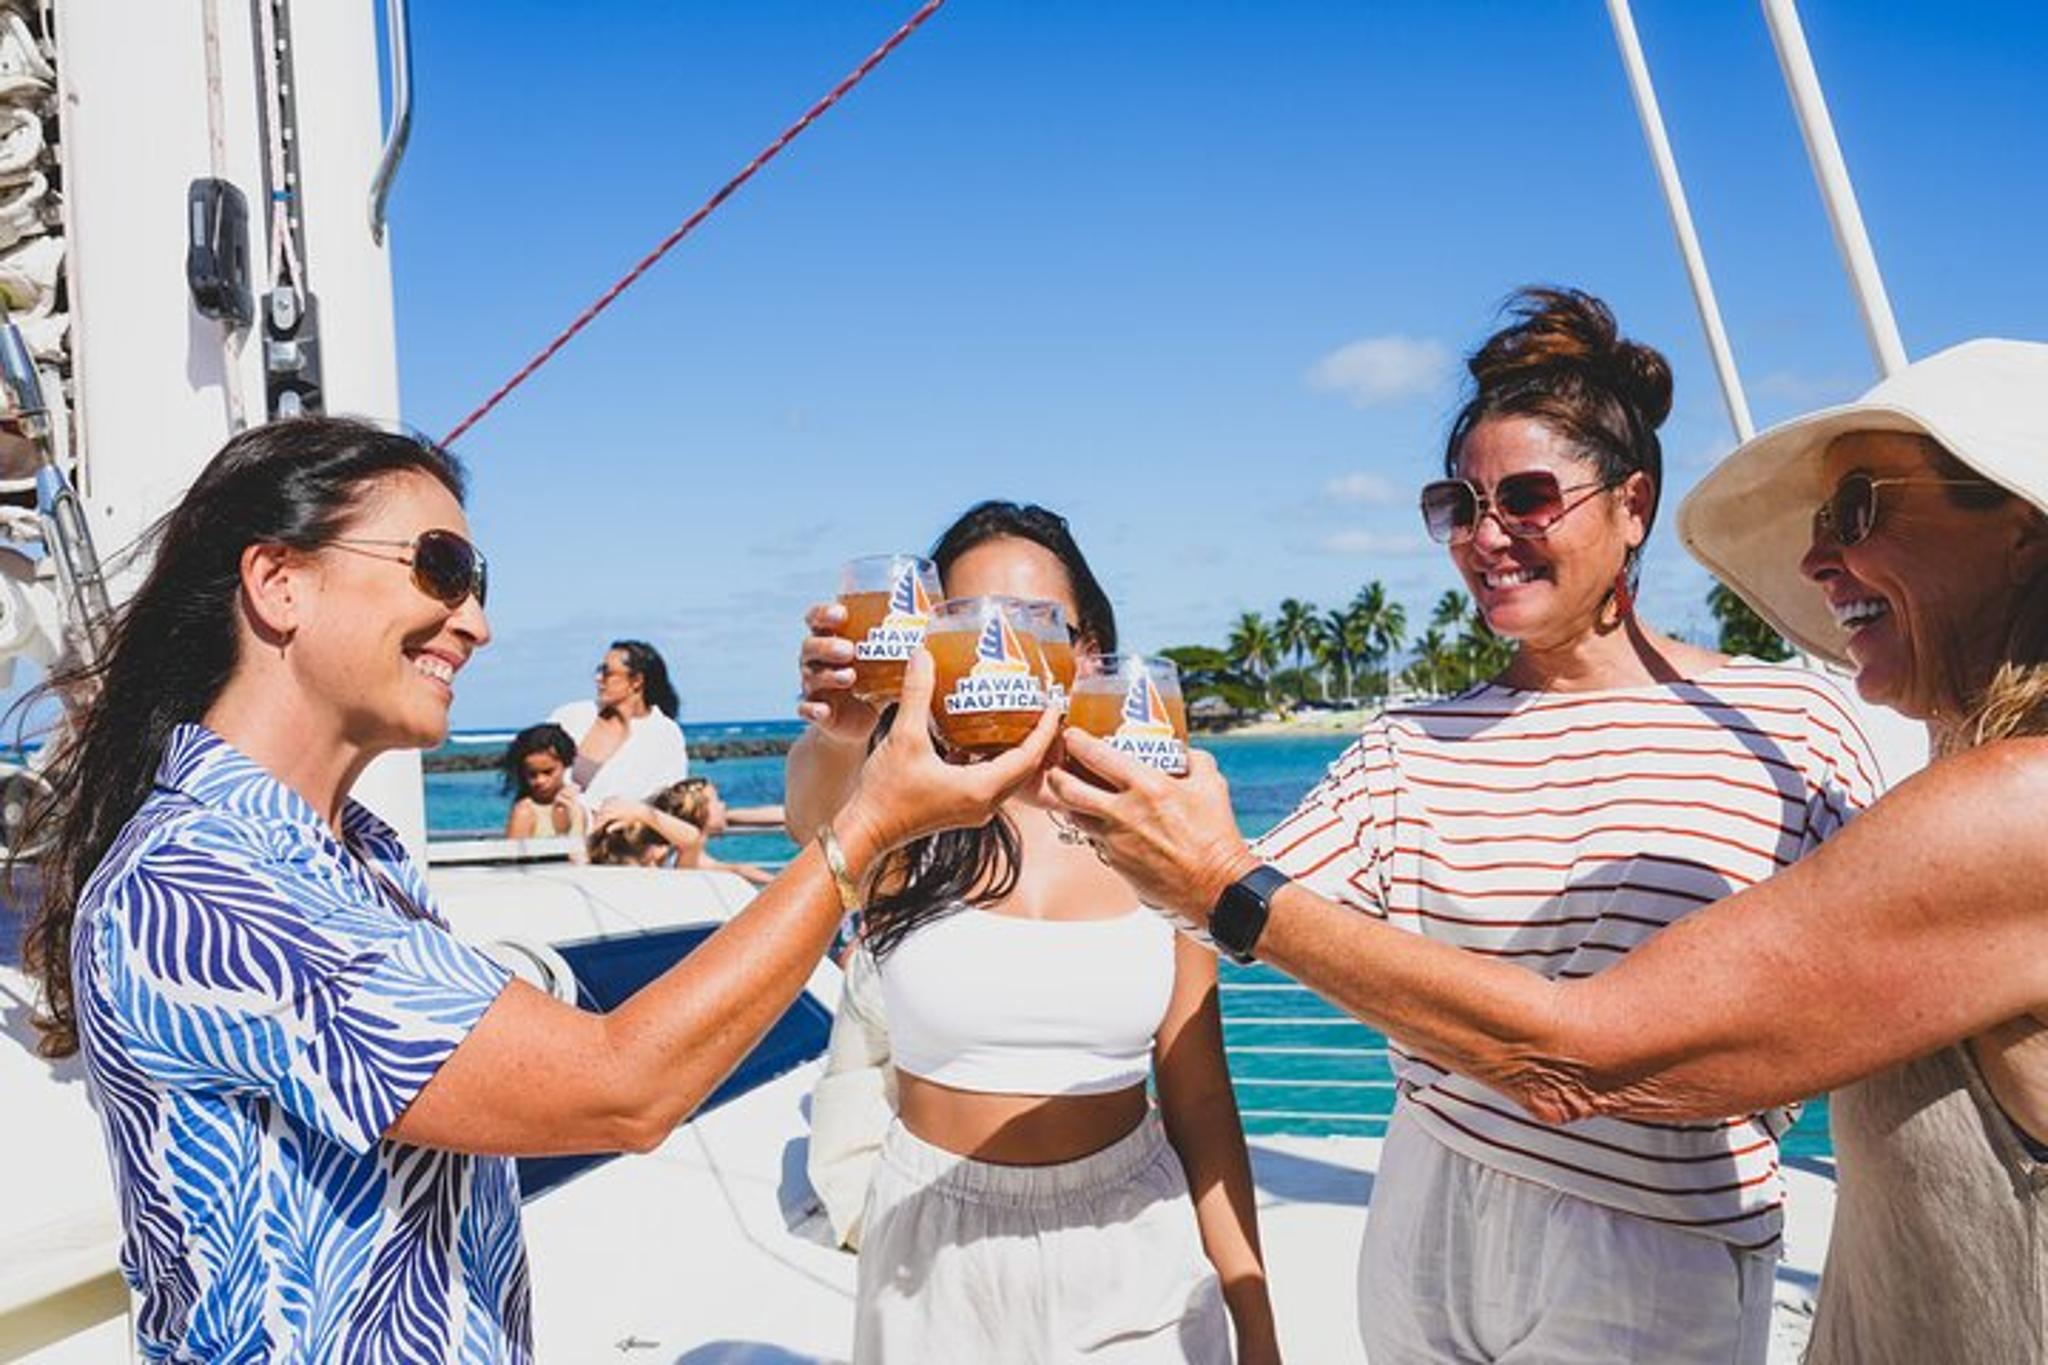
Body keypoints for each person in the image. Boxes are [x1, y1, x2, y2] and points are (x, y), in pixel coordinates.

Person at [1054, 337, 2048, 1365]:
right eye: (1458, 506)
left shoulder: (1792, 724)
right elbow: (1206, 891)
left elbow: (1778, 1009)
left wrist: (1221, 883)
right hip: (1433, 1192)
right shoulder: (1408, 742)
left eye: (1527, 498)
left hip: (1658, 1223)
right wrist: (1065, 789)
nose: (1487, 536)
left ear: (1631, 505)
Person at [15, 416, 1058, 1362]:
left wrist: (844, 755)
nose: (475, 624)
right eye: (441, 568)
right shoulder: (204, 885)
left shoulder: (345, 855)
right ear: (279, 583)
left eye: (477, 583)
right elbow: (620, 1086)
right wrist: (863, 829)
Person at [788, 500, 1279, 1364]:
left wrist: (1257, 1320)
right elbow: (814, 821)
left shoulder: (1154, 827)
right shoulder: (905, 819)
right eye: (972, 625)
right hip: (932, 1249)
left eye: (1036, 623)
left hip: (1133, 1238)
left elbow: (1200, 1095)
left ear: (1088, 650)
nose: (1003, 651)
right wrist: (845, 734)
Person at [548, 638, 690, 805]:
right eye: (599, 670)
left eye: (607, 673)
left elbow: (669, 800)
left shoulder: (665, 736)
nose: (598, 678)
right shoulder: (570, 716)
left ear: (636, 681)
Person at [592, 778, 777, 886]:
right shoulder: (678, 854)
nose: (723, 805)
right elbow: (693, 839)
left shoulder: (687, 853)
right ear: (699, 812)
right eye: (716, 801)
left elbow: (737, 869)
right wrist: (642, 812)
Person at [501, 720, 588, 841]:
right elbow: (512, 853)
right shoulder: (526, 812)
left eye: (548, 772)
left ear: (566, 763)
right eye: (532, 774)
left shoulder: (578, 804)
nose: (540, 781)